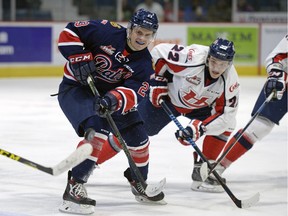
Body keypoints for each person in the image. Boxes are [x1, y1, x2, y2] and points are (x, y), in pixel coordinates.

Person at [56, 8, 165, 215]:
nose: (141, 38)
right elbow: (69, 32)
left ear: (153, 36)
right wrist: (78, 56)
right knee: (97, 129)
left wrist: (113, 99)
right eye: (138, 32)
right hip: (77, 89)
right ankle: (75, 184)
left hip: (108, 99)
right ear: (130, 28)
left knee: (139, 138)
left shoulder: (144, 64)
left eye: (147, 34)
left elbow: (135, 92)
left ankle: (139, 181)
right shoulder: (106, 31)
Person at [100, 38, 239, 193]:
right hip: (167, 99)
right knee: (132, 131)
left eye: (223, 64)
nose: (217, 67)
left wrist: (199, 128)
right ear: (208, 58)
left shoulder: (230, 81)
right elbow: (158, 53)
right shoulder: (193, 57)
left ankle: (204, 168)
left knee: (228, 124)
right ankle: (92, 161)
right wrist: (158, 79)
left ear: (229, 64)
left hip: (200, 108)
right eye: (214, 61)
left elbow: (225, 115)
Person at [214, 35, 287, 174]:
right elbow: (277, 56)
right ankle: (219, 167)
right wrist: (276, 73)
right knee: (258, 126)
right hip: (284, 83)